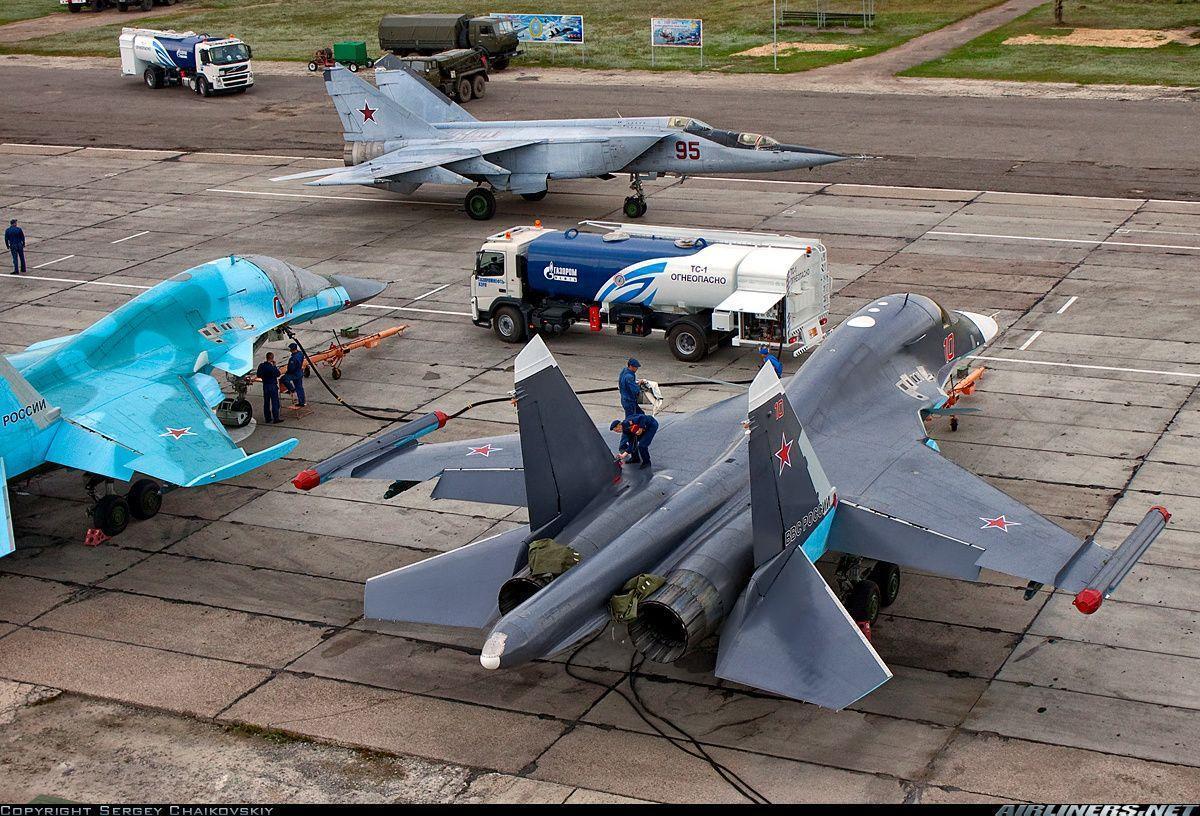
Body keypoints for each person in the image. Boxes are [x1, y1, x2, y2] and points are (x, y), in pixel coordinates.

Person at [255, 352, 283, 424]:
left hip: (265, 385)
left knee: (266, 402)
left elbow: (258, 375)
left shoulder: (261, 366)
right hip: (272, 385)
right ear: (272, 358)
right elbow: (278, 374)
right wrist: (274, 366)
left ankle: (267, 418)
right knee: (275, 402)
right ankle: (276, 418)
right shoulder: (271, 367)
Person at [283, 342, 306, 407]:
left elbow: (291, 368)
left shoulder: (293, 358)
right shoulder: (300, 354)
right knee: (300, 388)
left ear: (292, 349)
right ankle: (302, 402)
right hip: (300, 372)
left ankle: (291, 389)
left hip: (295, 374)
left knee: (284, 379)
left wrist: (287, 373)